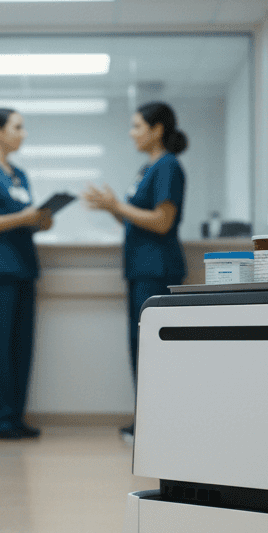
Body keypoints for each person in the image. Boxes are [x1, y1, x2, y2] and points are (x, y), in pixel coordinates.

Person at [82, 101, 189, 441]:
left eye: (137, 126)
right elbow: (134, 217)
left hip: (157, 269)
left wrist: (117, 206)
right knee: (139, 345)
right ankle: (146, 418)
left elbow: (162, 221)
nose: (131, 133)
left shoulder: (169, 167)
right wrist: (112, 208)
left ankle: (159, 421)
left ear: (157, 129)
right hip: (139, 269)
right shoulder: (146, 169)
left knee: (155, 348)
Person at [0, 108, 54, 440]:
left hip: (23, 268)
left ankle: (15, 417)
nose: (23, 133)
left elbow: (25, 217)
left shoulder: (19, 175)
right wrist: (22, 218)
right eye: (18, 127)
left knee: (20, 348)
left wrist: (42, 219)